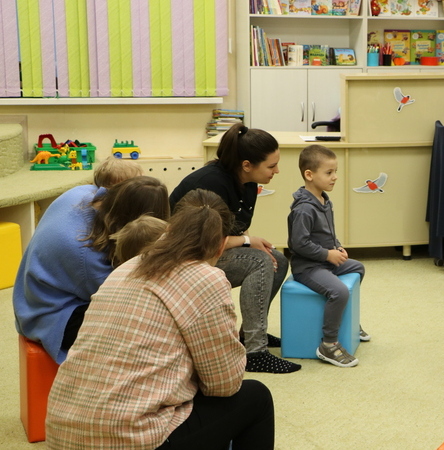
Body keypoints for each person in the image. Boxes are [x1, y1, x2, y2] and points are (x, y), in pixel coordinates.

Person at [46, 189, 275, 450]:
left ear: (169, 229)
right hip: (129, 438)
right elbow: (225, 383)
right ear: (222, 245)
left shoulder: (127, 267)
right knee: (256, 398)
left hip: (62, 432)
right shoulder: (206, 278)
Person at [170, 123, 298, 374]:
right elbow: (204, 243)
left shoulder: (247, 182)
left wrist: (249, 241)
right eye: (271, 166)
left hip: (212, 251)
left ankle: (250, 334)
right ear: (247, 165)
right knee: (259, 261)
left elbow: (236, 229)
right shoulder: (211, 183)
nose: (277, 171)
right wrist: (248, 242)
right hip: (186, 258)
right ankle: (255, 352)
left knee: (278, 260)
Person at [13, 176, 170, 363]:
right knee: (143, 323)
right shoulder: (87, 257)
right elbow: (126, 298)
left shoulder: (81, 193)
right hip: (51, 316)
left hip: (31, 295)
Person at [287, 144, 369, 368]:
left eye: (335, 171)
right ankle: (329, 344)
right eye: (329, 172)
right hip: (308, 267)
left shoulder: (324, 200)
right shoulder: (304, 208)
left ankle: (347, 322)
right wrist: (327, 254)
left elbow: (327, 233)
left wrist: (337, 248)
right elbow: (298, 244)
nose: (335, 177)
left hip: (324, 260)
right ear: (309, 175)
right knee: (339, 291)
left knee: (358, 267)